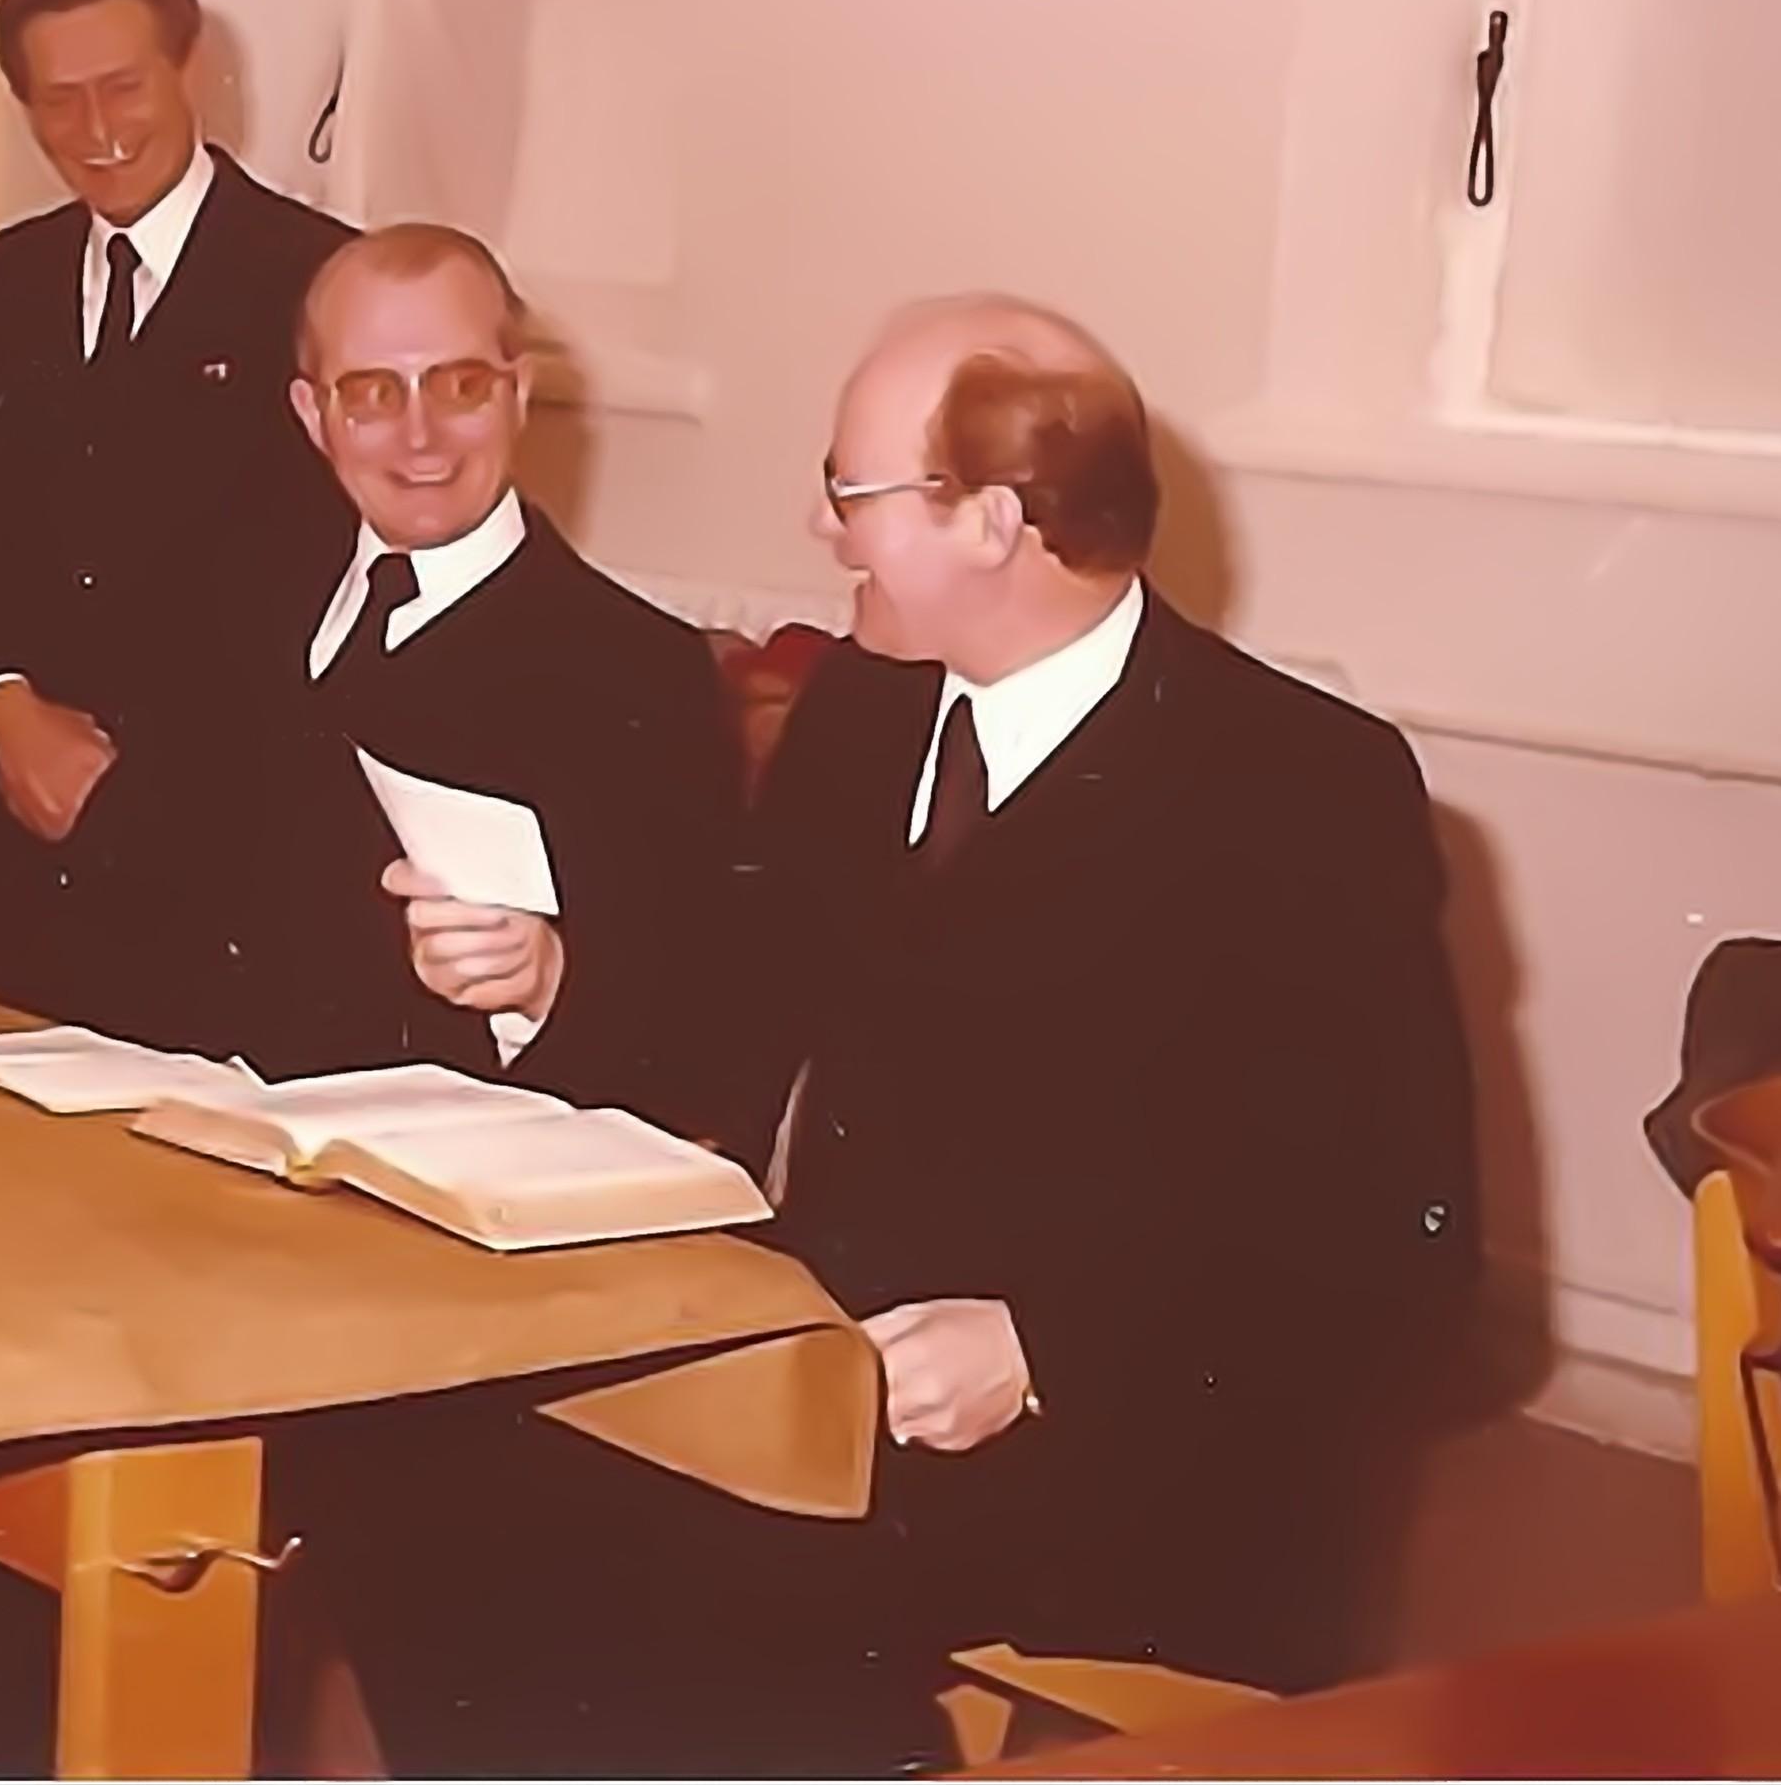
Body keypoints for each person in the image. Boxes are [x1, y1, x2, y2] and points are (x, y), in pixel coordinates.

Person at [327, 295, 1483, 1775]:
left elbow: (1403, 1250)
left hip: (1136, 1452)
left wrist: (1044, 1347)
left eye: (848, 489)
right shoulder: (870, 714)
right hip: (831, 1380)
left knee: (633, 1579)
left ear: (994, 521)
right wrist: (548, 974)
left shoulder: (1298, 784)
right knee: (401, 1466)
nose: (821, 528)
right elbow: (734, 1016)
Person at [0, 0, 350, 1036]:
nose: (96, 129)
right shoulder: (12, 272)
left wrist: (119, 785)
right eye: (58, 101)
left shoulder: (317, 277)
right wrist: (5, 708)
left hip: (193, 825)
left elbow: (309, 578)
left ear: (193, 68)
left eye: (122, 86)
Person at [192, 223, 738, 1088]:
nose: (422, 436)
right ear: (312, 415)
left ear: (518, 393)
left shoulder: (637, 671)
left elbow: (690, 1039)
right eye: (373, 393)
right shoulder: (247, 604)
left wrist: (546, 982)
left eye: (461, 386)